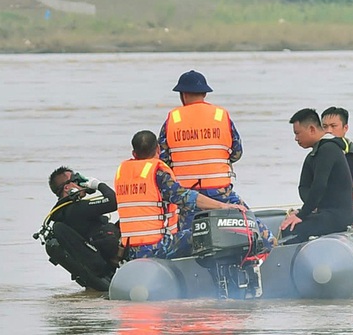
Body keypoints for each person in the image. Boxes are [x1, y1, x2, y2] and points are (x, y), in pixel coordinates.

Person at [158, 70, 275, 249]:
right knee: (261, 236)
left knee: (190, 246)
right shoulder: (221, 116)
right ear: (204, 94)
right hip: (222, 194)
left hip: (189, 198)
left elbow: (163, 161)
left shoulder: (173, 119)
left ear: (183, 95)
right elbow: (237, 152)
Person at [117, 130, 245, 260]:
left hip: (129, 250)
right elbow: (186, 198)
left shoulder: (122, 173)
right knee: (206, 232)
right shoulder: (157, 174)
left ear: (134, 153)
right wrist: (223, 206)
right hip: (157, 248)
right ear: (158, 149)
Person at [279, 109, 353, 244]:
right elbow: (304, 186)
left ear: (312, 129)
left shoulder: (329, 149)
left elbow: (319, 185)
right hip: (325, 212)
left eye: (297, 133)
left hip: (338, 217)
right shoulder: (313, 155)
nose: (296, 138)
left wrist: (302, 215)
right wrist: (303, 211)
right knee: (290, 220)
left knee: (290, 229)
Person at [47, 167, 121, 271]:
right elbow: (113, 201)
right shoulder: (77, 208)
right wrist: (98, 184)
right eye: (76, 181)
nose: (81, 184)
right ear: (67, 188)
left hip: (100, 254)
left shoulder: (62, 212)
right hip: (109, 252)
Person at [320, 106, 353, 183]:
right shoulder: (316, 153)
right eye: (325, 126)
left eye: (333, 126)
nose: (328, 131)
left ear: (345, 128)